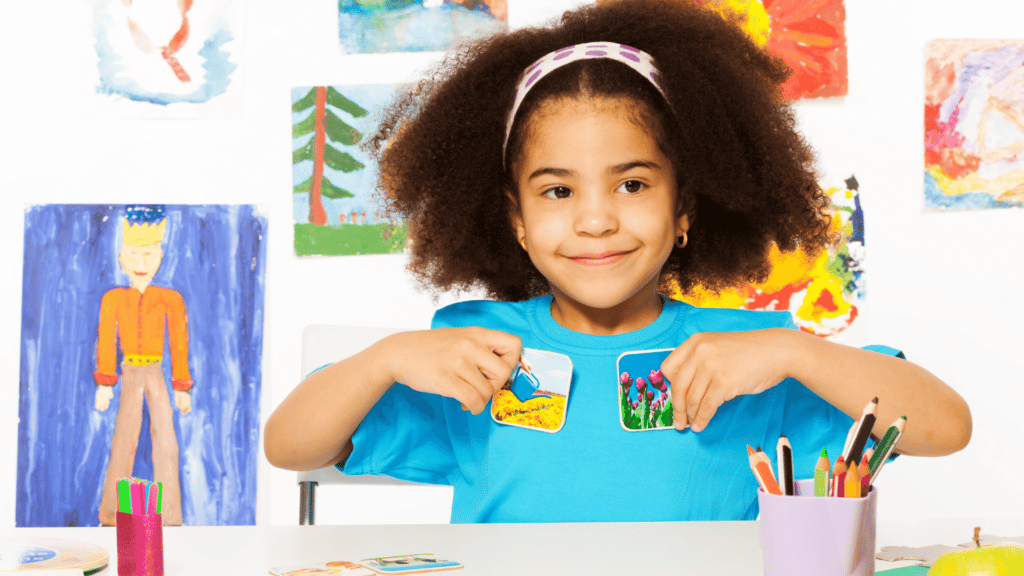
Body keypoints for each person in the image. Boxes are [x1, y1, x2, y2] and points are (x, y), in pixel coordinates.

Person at [265, 0, 971, 522]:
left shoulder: (747, 359)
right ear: (514, 218)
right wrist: (386, 357)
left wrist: (796, 353)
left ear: (686, 209)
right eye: (557, 190)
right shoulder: (473, 352)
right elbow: (290, 447)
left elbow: (946, 427)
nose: (596, 218)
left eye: (632, 184)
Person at [95, 205, 192, 526]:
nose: (141, 264)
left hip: (157, 372)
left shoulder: (170, 299)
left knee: (165, 438)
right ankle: (110, 516)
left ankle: (170, 518)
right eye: (134, 255)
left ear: (160, 256)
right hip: (128, 372)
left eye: (149, 255)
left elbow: (179, 344)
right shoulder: (113, 299)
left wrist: (182, 387)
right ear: (121, 257)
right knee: (124, 439)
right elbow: (107, 340)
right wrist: (105, 383)